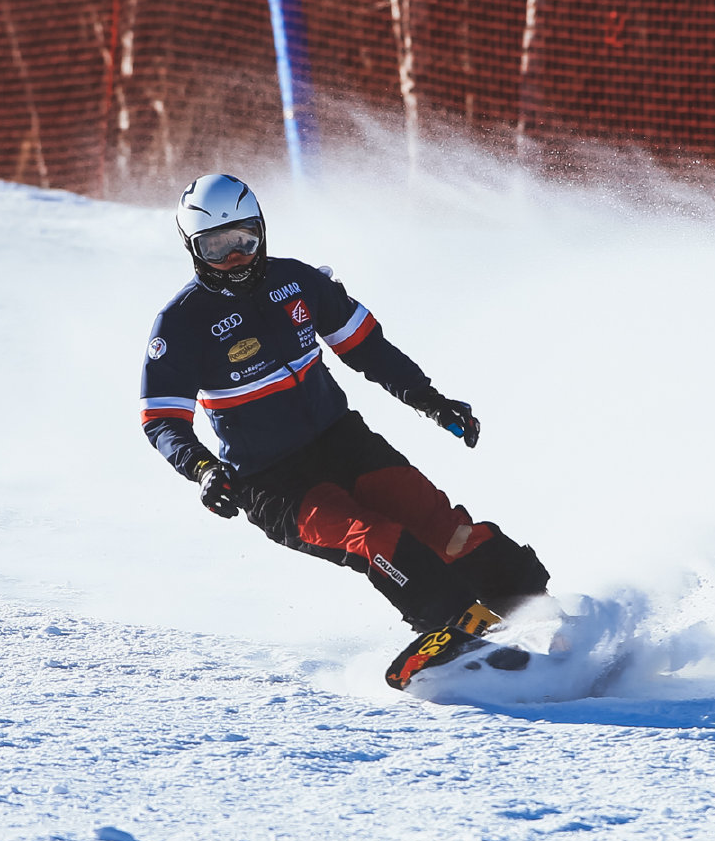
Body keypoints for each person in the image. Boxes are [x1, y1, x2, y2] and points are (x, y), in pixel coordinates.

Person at [139, 174, 549, 690]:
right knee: (376, 538)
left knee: (443, 526)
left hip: (343, 442)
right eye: (217, 248)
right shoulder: (181, 324)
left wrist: (429, 400)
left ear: (261, 230)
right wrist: (203, 471)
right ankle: (454, 630)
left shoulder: (299, 282)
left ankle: (537, 609)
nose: (236, 257)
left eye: (244, 239)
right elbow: (161, 420)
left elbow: (365, 347)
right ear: (193, 250)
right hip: (272, 482)